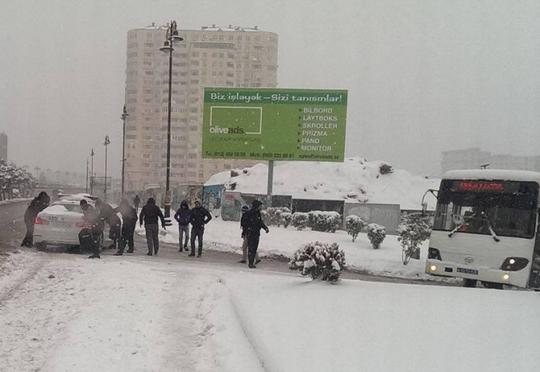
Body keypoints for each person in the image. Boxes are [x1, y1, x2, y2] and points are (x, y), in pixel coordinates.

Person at [242, 200, 269, 268]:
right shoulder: (250, 213)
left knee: (254, 248)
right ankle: (251, 263)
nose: (261, 207)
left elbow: (260, 222)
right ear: (257, 206)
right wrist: (245, 232)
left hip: (256, 233)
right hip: (250, 233)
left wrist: (265, 228)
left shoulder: (257, 213)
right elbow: (244, 224)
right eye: (260, 206)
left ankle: (252, 262)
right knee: (251, 248)